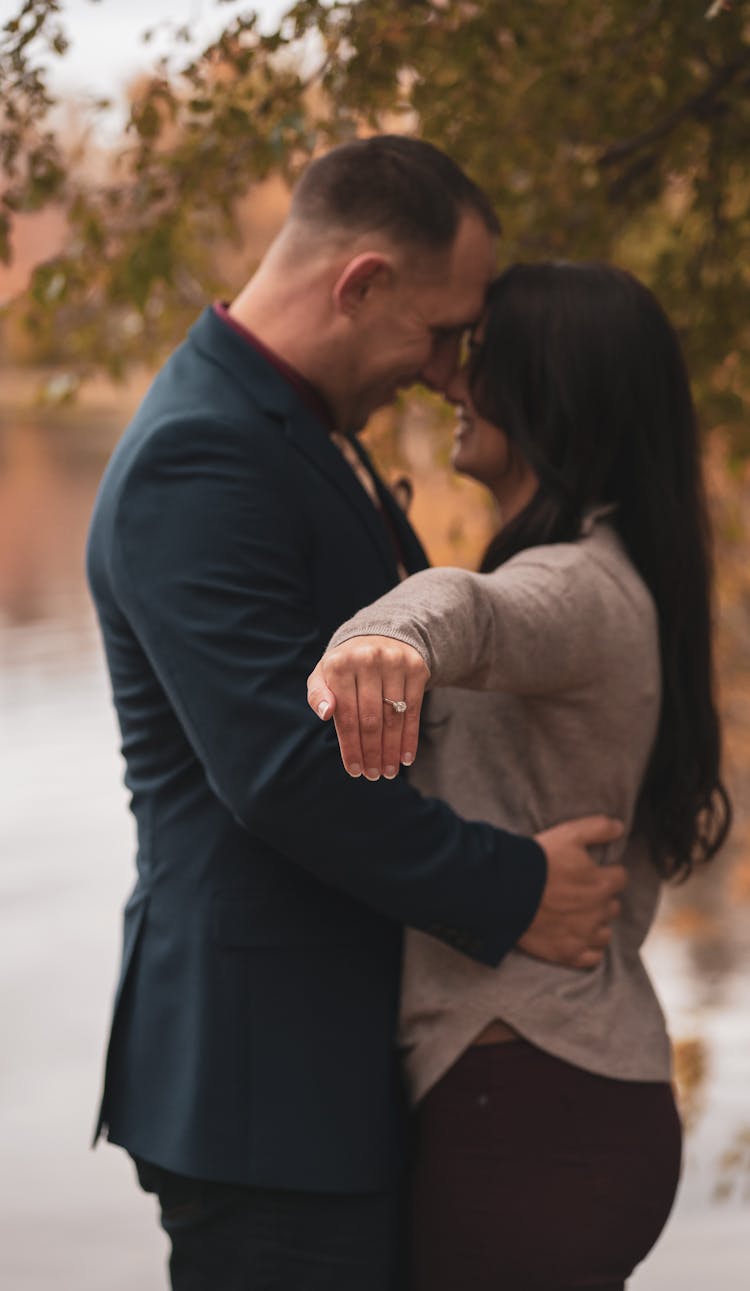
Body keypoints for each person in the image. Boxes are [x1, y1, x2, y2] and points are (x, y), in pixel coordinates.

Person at [86, 140, 626, 1291]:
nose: (445, 371)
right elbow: (282, 771)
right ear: (362, 282)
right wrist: (519, 888)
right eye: (440, 331)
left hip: (337, 1060)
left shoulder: (293, 425)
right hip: (265, 1081)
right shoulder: (200, 455)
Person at [307, 262, 732, 1290]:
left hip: (534, 1109)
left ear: (555, 385)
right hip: (559, 1099)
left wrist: (384, 637)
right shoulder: (611, 567)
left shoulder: (576, 580)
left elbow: (476, 611)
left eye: (480, 357)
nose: (450, 379)